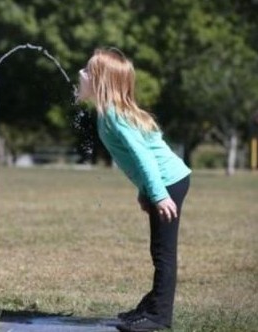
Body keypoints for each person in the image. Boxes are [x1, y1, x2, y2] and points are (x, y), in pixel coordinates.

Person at [75, 48, 191, 332]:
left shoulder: (114, 115)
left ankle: (159, 316)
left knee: (163, 252)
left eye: (88, 71)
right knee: (159, 250)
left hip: (168, 183)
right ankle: (150, 307)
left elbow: (145, 157)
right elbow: (147, 150)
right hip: (163, 183)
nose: (80, 74)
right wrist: (145, 191)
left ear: (101, 81)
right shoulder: (110, 113)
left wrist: (159, 194)